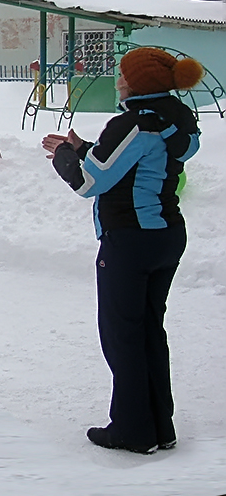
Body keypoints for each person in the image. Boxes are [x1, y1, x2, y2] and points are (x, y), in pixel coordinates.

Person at [43, 47, 203, 455]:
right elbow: (135, 160)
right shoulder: (178, 120)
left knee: (122, 336)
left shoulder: (130, 123)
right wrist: (86, 147)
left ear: (133, 83)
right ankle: (159, 426)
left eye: (122, 74)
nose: (117, 79)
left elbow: (87, 183)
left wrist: (65, 156)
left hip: (130, 241)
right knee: (148, 329)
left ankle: (132, 430)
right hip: (166, 236)